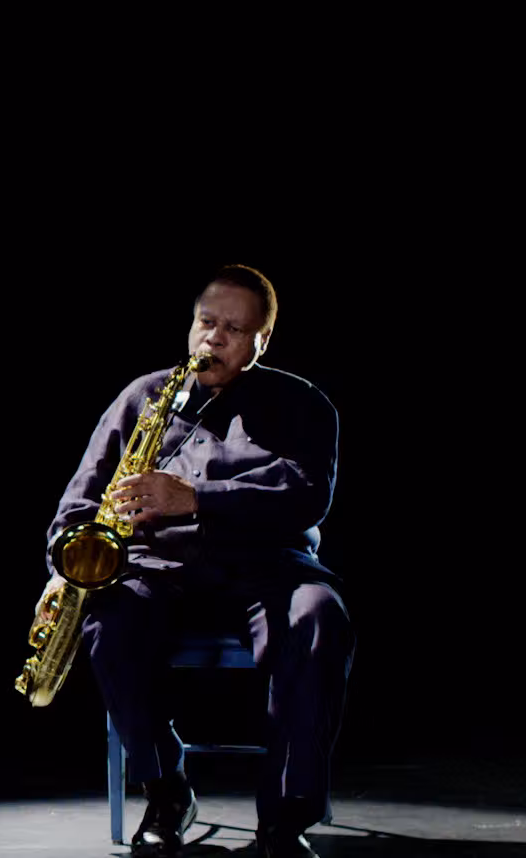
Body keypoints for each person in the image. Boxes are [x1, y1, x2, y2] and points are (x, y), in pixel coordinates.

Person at [46, 265, 354, 858]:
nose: (214, 338)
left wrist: (195, 499)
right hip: (157, 570)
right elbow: (79, 502)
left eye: (234, 330)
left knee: (320, 615)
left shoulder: (305, 404)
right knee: (107, 620)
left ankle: (285, 817)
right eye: (206, 323)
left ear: (263, 340)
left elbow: (307, 496)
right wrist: (63, 572)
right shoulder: (143, 396)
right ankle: (166, 790)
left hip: (268, 566)